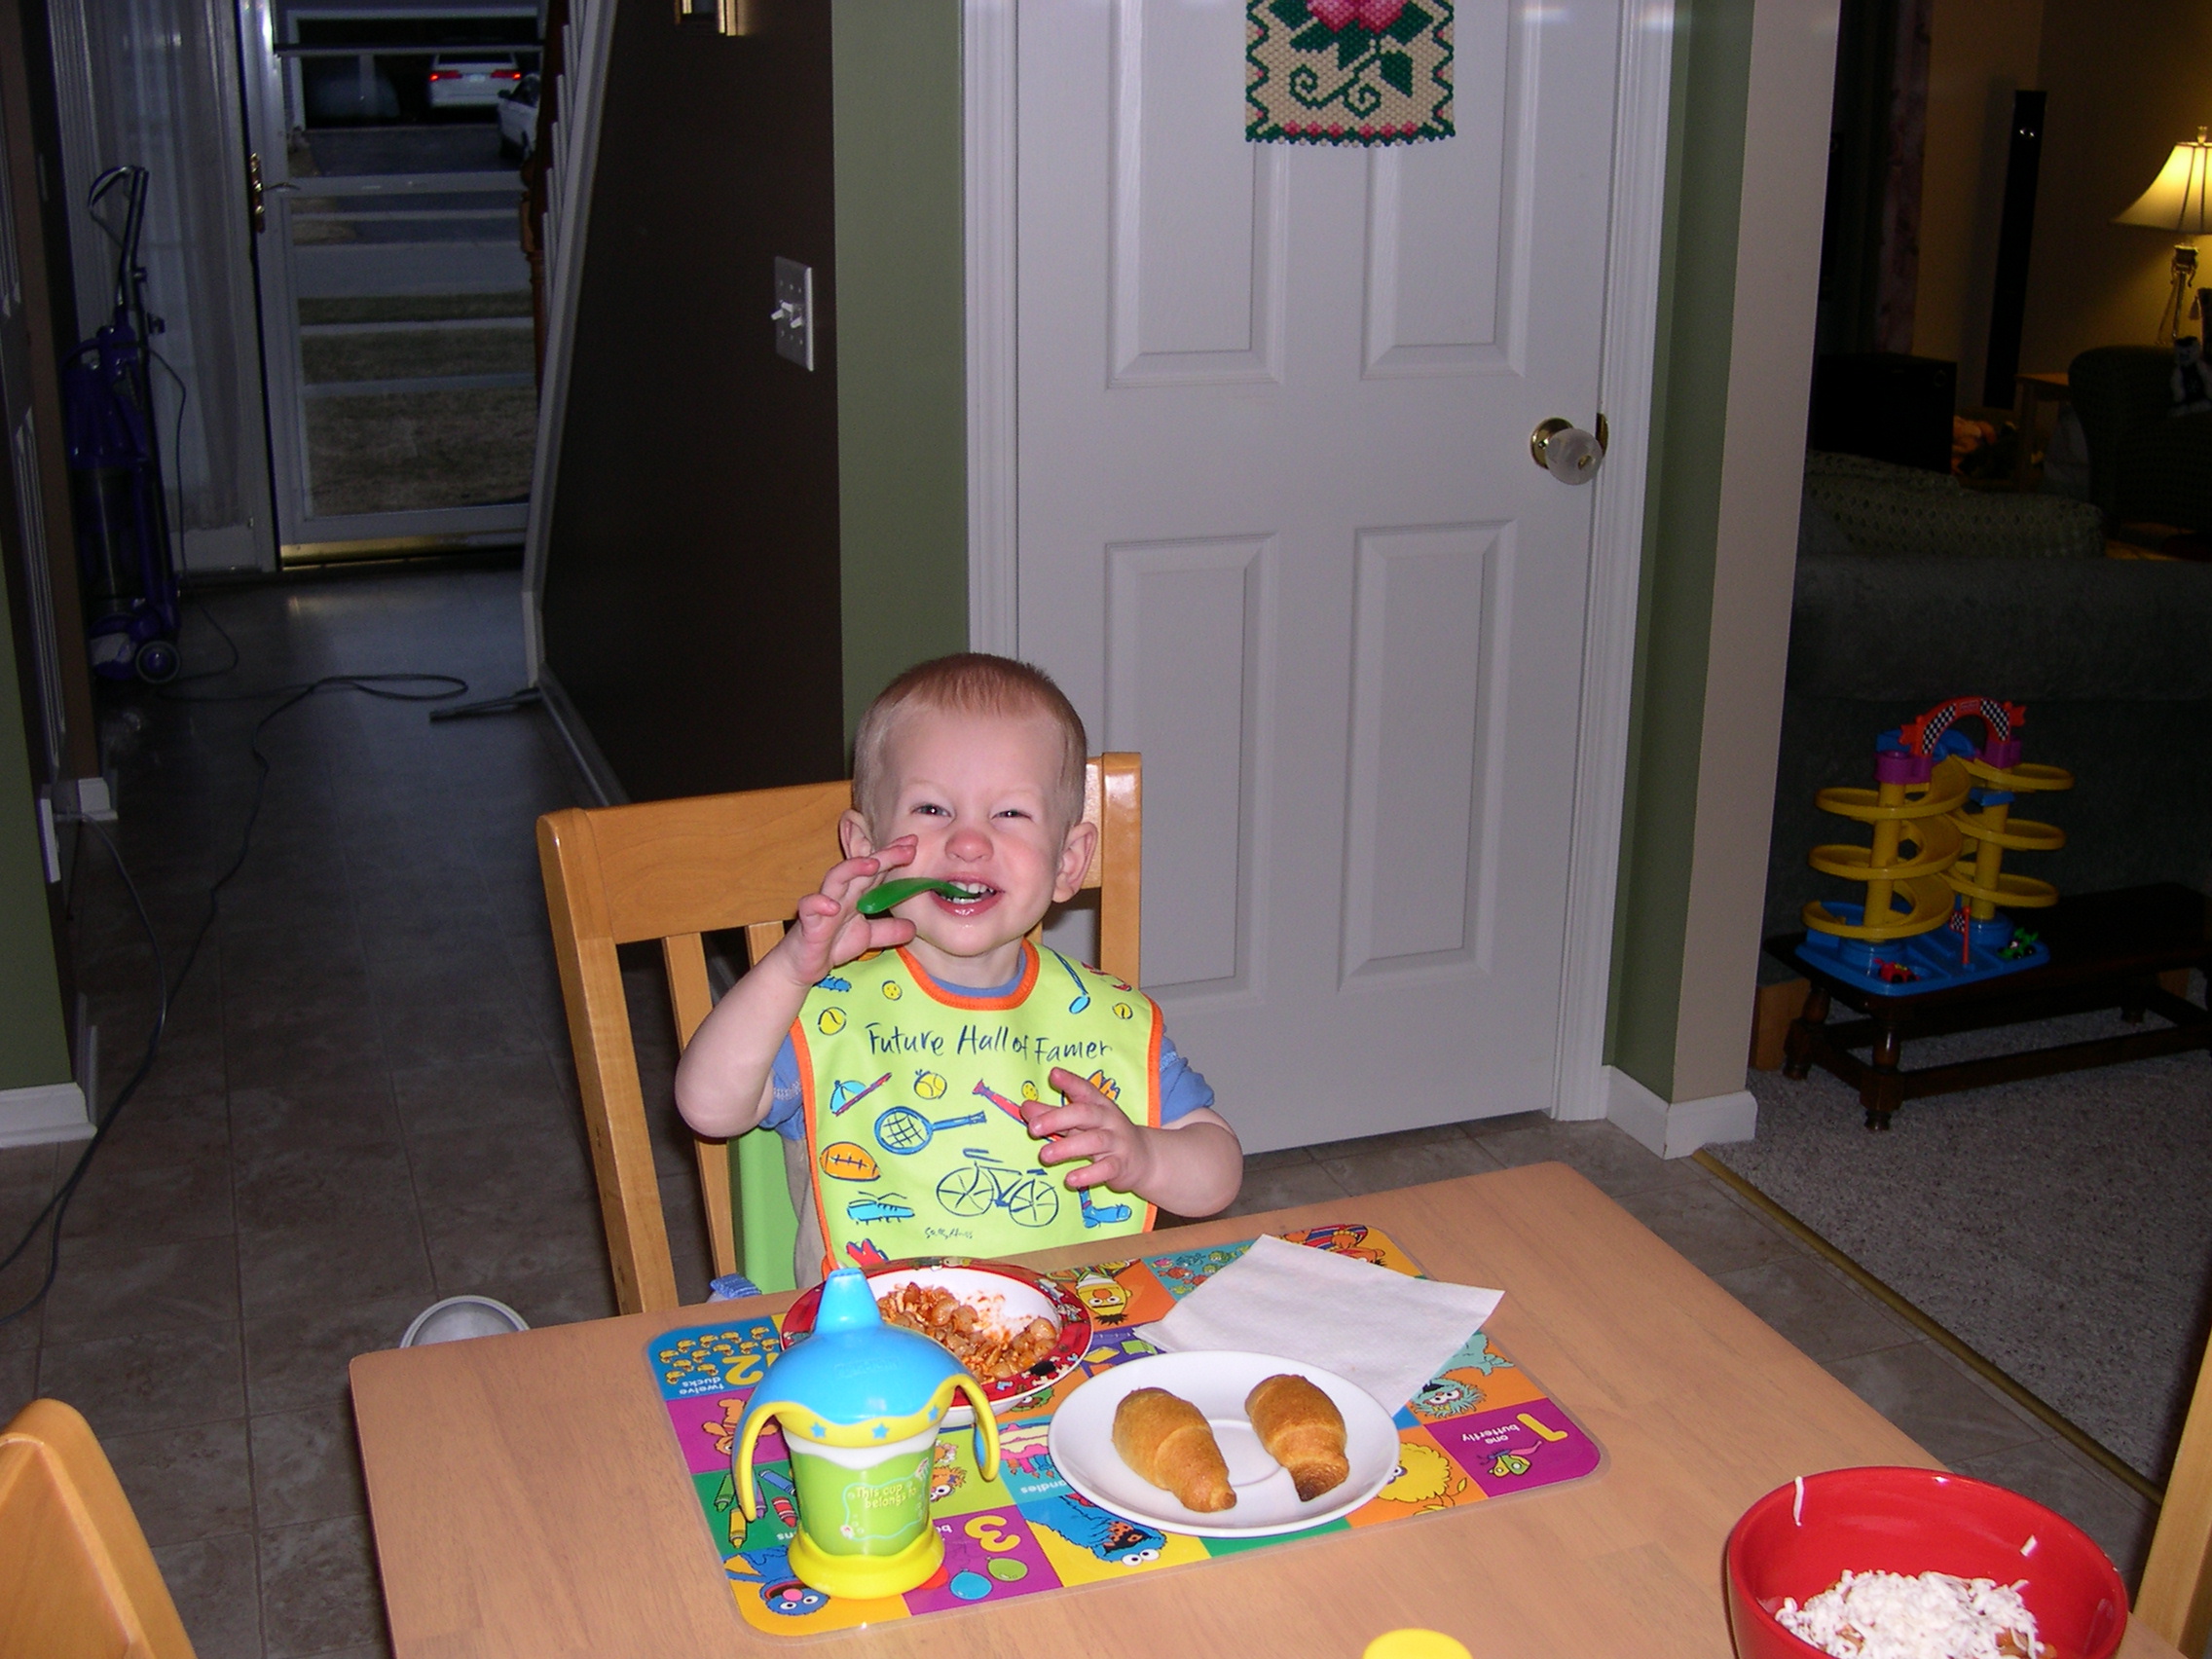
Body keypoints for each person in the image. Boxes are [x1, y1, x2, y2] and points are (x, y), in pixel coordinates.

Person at [675, 652, 1242, 1285]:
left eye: (1009, 814)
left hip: (1073, 1338)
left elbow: (1218, 1170)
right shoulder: (825, 1009)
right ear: (868, 851)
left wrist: (1145, 1157)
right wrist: (786, 972)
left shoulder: (1105, 1020)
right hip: (873, 1356)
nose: (969, 842)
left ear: (1068, 860)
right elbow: (708, 1109)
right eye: (933, 810)